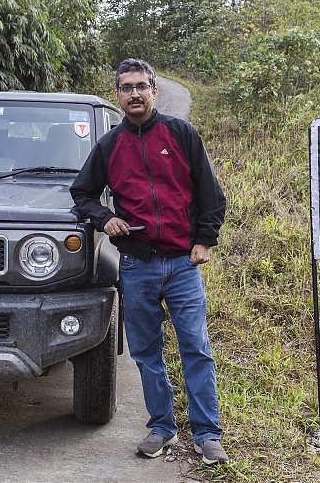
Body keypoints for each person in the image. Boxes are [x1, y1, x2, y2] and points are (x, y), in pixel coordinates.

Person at [70, 58, 229, 464]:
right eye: (126, 87)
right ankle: (162, 428)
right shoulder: (109, 146)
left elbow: (211, 192)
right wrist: (106, 219)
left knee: (196, 347)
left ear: (154, 91)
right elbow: (83, 194)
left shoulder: (180, 133)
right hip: (137, 266)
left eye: (142, 86)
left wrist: (205, 241)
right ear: (117, 95)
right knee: (146, 353)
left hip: (182, 264)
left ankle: (207, 433)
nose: (135, 93)